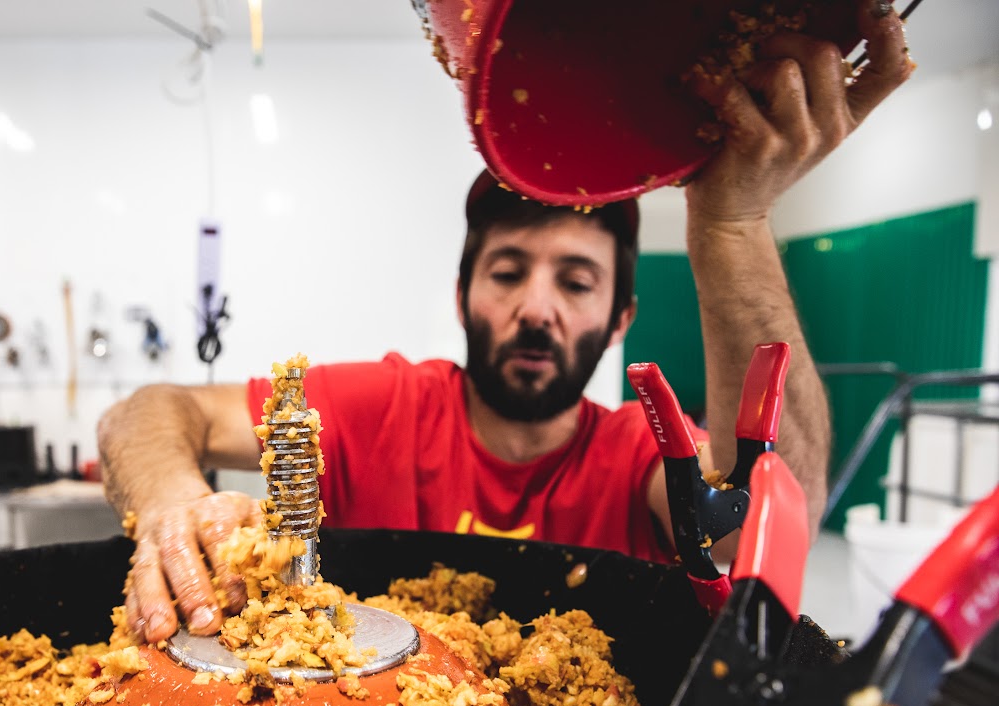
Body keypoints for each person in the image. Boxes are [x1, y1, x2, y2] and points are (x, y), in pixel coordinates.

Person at [99, 0, 913, 645]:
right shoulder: (385, 411)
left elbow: (767, 522)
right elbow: (150, 412)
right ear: (462, 298)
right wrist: (171, 500)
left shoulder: (634, 454)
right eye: (508, 272)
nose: (536, 307)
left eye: (576, 281)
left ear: (620, 317)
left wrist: (733, 225)